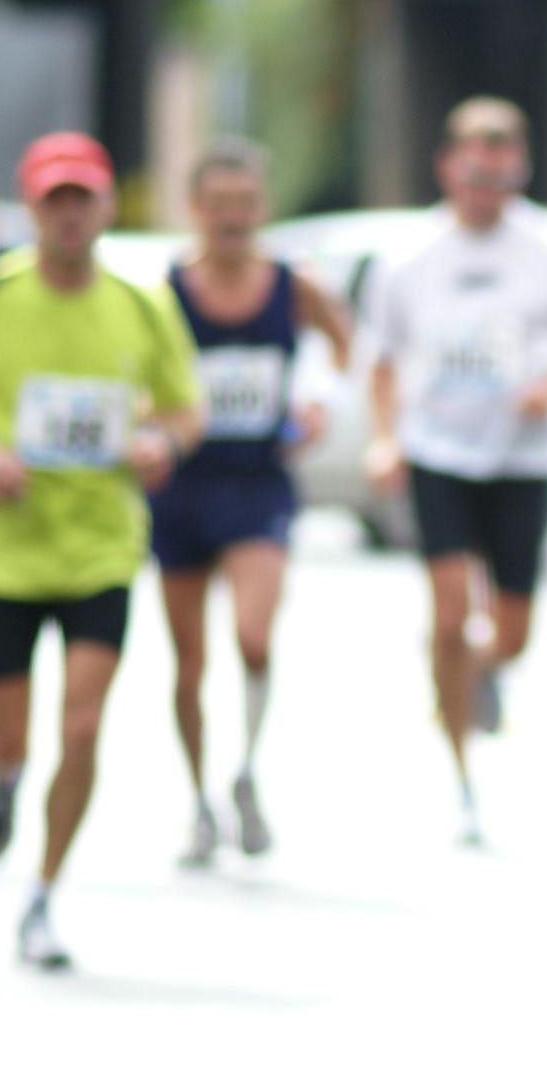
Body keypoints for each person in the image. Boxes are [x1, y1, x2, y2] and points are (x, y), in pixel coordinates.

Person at [0, 131, 203, 968]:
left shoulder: (142, 303)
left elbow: (186, 407)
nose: (69, 215)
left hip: (100, 546)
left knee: (83, 720)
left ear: (105, 206)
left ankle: (42, 889)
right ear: (29, 209)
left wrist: (162, 447)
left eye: (84, 198)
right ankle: (1, 781)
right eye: (53, 199)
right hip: (3, 550)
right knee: (12, 738)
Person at [364, 97, 547, 845]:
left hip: (521, 459)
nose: (485, 179)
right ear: (448, 167)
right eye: (473, 164)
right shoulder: (407, 258)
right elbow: (379, 359)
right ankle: (462, 773)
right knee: (445, 608)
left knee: (513, 631)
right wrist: (382, 439)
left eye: (500, 164)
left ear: (519, 169)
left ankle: (477, 667)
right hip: (439, 450)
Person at [152, 138, 352, 867]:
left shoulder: (292, 286)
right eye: (219, 205)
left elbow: (341, 344)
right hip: (182, 483)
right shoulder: (166, 290)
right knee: (188, 658)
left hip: (258, 479)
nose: (233, 219)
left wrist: (317, 404)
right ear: (196, 208)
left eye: (245, 205)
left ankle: (246, 769)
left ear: (262, 209)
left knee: (254, 634)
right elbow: (136, 368)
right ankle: (198, 796)